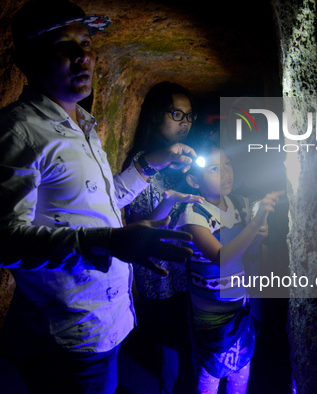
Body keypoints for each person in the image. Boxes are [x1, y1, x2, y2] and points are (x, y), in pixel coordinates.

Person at [0, 1, 196, 393]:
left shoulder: (82, 126)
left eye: (86, 42)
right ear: (27, 59)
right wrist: (108, 240)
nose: (81, 56)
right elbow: (2, 243)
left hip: (103, 321)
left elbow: (103, 201)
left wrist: (152, 164)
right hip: (67, 337)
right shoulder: (15, 133)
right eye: (62, 45)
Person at [171, 138, 284, 394]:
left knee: (241, 372)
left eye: (228, 164)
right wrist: (254, 227)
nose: (225, 173)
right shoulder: (193, 214)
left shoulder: (241, 205)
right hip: (209, 314)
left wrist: (260, 237)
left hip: (239, 306)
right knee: (209, 374)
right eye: (213, 169)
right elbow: (222, 258)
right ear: (193, 181)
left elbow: (247, 255)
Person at [122, 81, 203, 393]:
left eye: (189, 116)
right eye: (176, 114)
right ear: (157, 116)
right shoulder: (145, 161)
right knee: (169, 344)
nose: (184, 123)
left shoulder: (185, 161)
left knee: (185, 340)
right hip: (159, 271)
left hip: (185, 267)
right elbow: (148, 223)